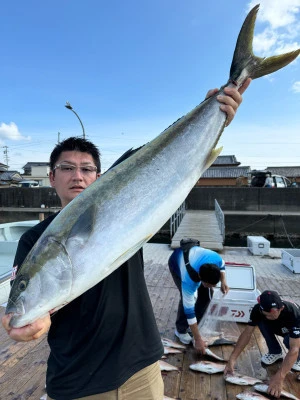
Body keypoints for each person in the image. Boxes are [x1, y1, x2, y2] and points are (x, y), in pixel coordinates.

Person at [2, 79, 250, 400]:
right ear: (51, 176)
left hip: (143, 369)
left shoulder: (122, 212)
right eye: (66, 168)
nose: (77, 176)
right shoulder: (35, 240)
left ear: (98, 178)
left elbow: (153, 159)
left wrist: (210, 114)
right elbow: (25, 309)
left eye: (87, 169)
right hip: (79, 380)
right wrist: (28, 327)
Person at [224, 290, 300, 398]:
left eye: (273, 315)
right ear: (261, 308)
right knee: (261, 322)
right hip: (279, 327)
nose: (270, 317)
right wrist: (232, 359)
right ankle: (275, 352)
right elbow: (247, 333)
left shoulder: (293, 312)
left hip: (293, 332)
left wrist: (280, 376)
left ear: (281, 308)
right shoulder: (257, 310)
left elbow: (294, 349)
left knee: (289, 342)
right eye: (267, 315)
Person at [168, 241, 229, 354]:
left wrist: (223, 281)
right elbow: (189, 310)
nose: (211, 287)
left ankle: (196, 327)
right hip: (176, 264)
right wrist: (198, 339)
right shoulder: (189, 280)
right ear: (200, 277)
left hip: (195, 260)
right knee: (185, 299)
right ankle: (180, 330)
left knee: (206, 296)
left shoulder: (215, 259)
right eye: (208, 284)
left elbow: (222, 265)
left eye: (213, 285)